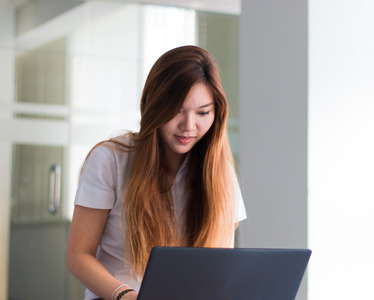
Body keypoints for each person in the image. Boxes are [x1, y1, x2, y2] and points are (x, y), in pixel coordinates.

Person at [66, 45, 247, 300]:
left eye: (203, 112)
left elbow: (219, 265)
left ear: (217, 114)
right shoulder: (110, 160)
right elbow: (78, 255)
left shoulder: (221, 174)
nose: (189, 126)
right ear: (154, 105)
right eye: (177, 110)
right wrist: (125, 295)